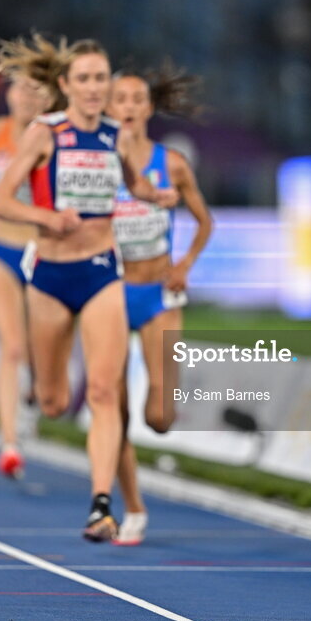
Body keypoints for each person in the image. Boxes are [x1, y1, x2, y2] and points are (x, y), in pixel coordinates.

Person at [0, 35, 178, 541]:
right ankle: (42, 399)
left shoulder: (115, 136)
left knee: (102, 391)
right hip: (50, 278)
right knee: (53, 401)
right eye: (86, 79)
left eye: (102, 79)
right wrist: (46, 218)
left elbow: (134, 183)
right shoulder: (44, 134)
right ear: (66, 85)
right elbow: (1, 202)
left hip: (100, 271)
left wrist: (154, 194)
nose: (95, 88)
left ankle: (100, 506)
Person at [105, 63, 212, 545]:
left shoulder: (171, 163)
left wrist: (185, 262)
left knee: (159, 419)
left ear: (148, 108)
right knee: (116, 413)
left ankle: (168, 394)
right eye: (118, 99)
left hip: (158, 295)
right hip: (108, 293)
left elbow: (204, 221)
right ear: (107, 107)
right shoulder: (95, 162)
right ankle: (133, 508)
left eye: (135, 99)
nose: (127, 107)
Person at [0, 61, 57, 479]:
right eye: (21, 88)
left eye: (37, 90)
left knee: (41, 348)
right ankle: (8, 443)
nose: (28, 97)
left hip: (42, 251)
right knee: (13, 346)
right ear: (9, 94)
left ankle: (32, 398)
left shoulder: (57, 138)